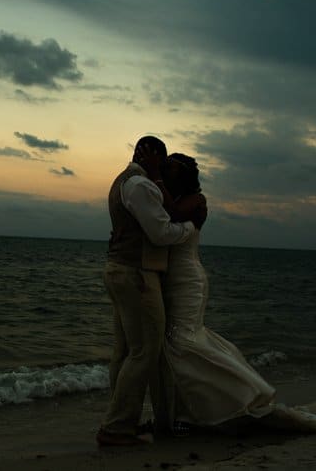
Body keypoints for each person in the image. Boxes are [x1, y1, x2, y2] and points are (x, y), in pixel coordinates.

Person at [158, 153, 316, 435]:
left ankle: (242, 394)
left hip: (188, 279)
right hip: (173, 279)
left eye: (170, 169)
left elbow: (170, 215)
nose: (165, 173)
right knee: (178, 342)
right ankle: (191, 410)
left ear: (183, 174)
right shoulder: (176, 197)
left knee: (183, 342)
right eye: (165, 169)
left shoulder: (196, 200)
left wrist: (154, 182)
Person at [96, 136, 204, 446]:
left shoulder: (123, 181)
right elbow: (160, 233)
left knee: (125, 352)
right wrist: (190, 228)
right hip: (137, 275)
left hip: (120, 270)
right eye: (161, 160)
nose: (163, 167)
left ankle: (116, 419)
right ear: (152, 156)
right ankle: (117, 428)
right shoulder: (141, 185)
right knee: (144, 351)